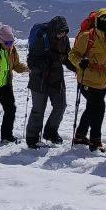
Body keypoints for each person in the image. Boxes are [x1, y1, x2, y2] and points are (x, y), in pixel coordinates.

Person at [71, 10, 106, 152]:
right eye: (103, 20)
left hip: (103, 81)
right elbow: (73, 54)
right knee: (99, 108)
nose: (105, 22)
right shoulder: (87, 37)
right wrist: (81, 62)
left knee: (92, 107)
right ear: (97, 21)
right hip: (87, 80)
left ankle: (80, 136)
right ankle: (95, 141)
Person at [26, 16, 74, 148]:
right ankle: (32, 138)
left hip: (56, 78)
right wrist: (44, 64)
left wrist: (77, 68)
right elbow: (31, 61)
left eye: (64, 32)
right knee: (38, 110)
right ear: (54, 30)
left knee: (61, 106)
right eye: (60, 32)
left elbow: (66, 58)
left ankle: (50, 132)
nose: (62, 34)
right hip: (39, 80)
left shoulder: (64, 40)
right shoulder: (42, 39)